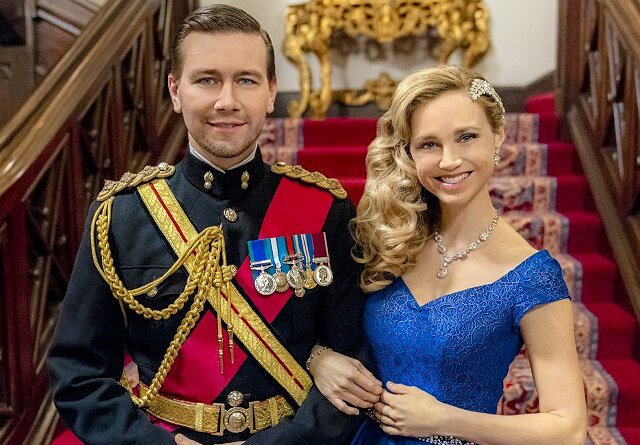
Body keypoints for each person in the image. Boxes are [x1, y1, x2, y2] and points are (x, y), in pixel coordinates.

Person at [47, 4, 369, 445]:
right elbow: (79, 372)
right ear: (175, 91)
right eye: (207, 80)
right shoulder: (120, 216)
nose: (227, 101)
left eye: (247, 80)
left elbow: (353, 360)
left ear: (271, 92)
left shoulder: (325, 210)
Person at [305, 66, 587, 445]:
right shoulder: (388, 237)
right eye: (428, 144)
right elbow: (314, 324)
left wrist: (443, 419)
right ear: (408, 152)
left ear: (498, 135)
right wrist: (318, 358)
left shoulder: (532, 277)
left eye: (467, 137)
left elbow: (568, 428)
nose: (449, 160)